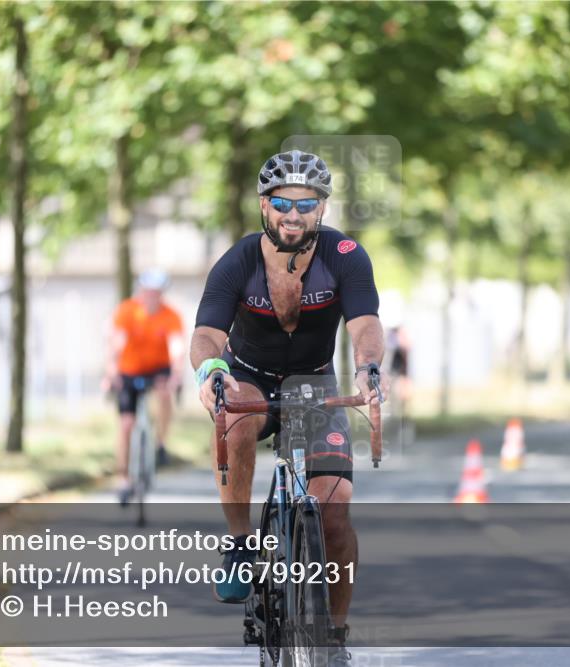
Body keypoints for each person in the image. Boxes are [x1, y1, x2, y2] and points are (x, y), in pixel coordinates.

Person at [191, 149, 388, 666]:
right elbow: (207, 336)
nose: (293, 215)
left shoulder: (345, 254)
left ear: (321, 209)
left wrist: (369, 368)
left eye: (307, 204)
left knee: (336, 513)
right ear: (264, 205)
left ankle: (336, 637)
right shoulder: (238, 261)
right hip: (249, 378)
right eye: (282, 202)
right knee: (233, 417)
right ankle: (239, 544)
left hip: (313, 385)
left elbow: (365, 324)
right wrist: (211, 373)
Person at [102, 269, 186, 502]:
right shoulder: (127, 311)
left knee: (164, 393)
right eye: (148, 292)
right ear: (141, 291)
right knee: (126, 424)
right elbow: (116, 344)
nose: (152, 297)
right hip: (128, 370)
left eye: (156, 293)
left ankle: (160, 444)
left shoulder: (170, 315)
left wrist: (176, 374)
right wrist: (111, 373)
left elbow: (176, 348)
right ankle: (123, 478)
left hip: (158, 368)